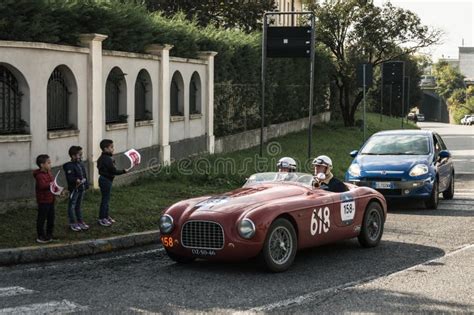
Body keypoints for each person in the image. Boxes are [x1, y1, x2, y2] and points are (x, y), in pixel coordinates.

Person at [97, 139, 129, 227]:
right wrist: (123, 171)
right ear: (105, 149)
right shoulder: (106, 159)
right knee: (105, 200)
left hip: (107, 180)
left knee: (106, 199)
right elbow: (113, 170)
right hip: (105, 180)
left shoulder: (106, 157)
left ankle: (106, 216)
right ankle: (102, 218)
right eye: (111, 147)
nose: (113, 149)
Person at [63, 146, 89, 232]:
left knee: (78, 206)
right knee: (72, 206)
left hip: (81, 189)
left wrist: (85, 185)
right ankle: (73, 223)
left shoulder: (81, 164)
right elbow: (70, 178)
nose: (81, 156)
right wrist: (76, 180)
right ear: (73, 156)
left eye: (82, 154)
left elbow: (84, 175)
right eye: (79, 155)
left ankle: (80, 221)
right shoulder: (69, 166)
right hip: (75, 189)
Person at [33, 154, 56, 243]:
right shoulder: (39, 176)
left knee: (51, 217)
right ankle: (40, 236)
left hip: (51, 199)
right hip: (43, 200)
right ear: (42, 165)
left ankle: (49, 234)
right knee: (42, 218)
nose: (50, 164)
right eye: (48, 163)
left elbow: (52, 184)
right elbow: (42, 186)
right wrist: (51, 184)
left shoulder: (49, 173)